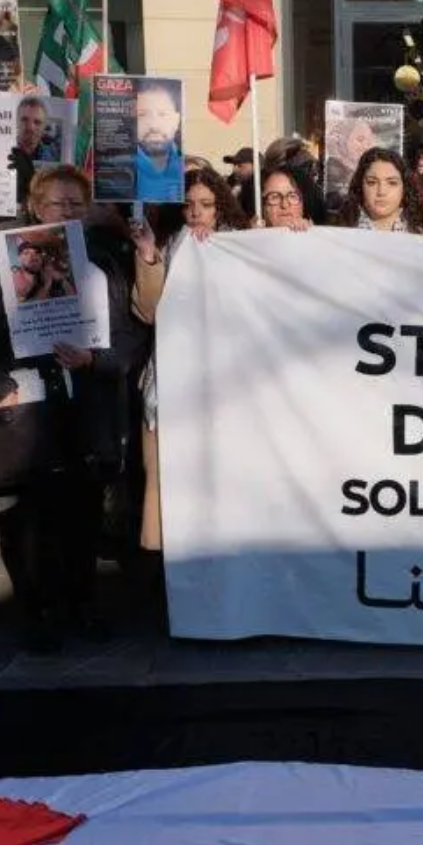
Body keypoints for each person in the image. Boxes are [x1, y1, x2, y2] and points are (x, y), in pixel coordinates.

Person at [0, 164, 143, 652]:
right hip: (28, 407)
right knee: (31, 519)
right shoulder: (7, 265)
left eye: (75, 203)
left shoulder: (106, 264)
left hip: (88, 404)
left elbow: (130, 337)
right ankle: (38, 612)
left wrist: (96, 360)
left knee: (83, 512)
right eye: (55, 202)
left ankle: (82, 604)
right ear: (34, 208)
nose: (66, 210)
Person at [128, 170, 238, 559]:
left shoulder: (239, 247)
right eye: (189, 205)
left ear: (221, 207)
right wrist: (148, 255)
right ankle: (161, 576)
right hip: (168, 388)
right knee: (164, 488)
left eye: (206, 205)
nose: (196, 213)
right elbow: (149, 312)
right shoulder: (166, 246)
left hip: (225, 390)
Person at [336, 148, 423, 233]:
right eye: (372, 182)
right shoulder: (336, 234)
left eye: (392, 183)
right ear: (360, 186)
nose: (381, 192)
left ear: (405, 187)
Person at [134, 82, 185, 203]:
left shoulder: (189, 168)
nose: (154, 125)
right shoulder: (115, 169)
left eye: (162, 114)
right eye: (142, 115)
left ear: (176, 120)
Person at [259, 165, 322, 231]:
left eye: (292, 196)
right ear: (262, 205)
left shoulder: (319, 235)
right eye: (275, 197)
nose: (284, 205)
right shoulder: (253, 235)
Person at [14, 96, 59, 165]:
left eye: (37, 122)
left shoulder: (52, 158)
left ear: (44, 127)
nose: (30, 128)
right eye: (24, 120)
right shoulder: (2, 151)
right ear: (16, 122)